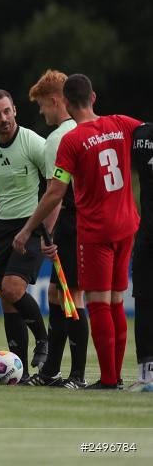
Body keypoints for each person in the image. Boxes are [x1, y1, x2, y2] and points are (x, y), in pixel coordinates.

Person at [14, 74, 143, 390]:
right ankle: (116, 376)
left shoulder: (71, 140)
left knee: (98, 303)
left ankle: (109, 379)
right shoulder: (122, 124)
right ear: (94, 97)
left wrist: (28, 229)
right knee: (115, 301)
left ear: (67, 104)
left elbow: (55, 192)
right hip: (128, 225)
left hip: (96, 231)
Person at [0, 88, 52, 382]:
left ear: (15, 111)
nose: (3, 118)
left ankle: (42, 339)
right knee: (5, 298)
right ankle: (17, 368)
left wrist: (42, 228)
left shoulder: (34, 142)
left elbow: (53, 185)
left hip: (31, 224)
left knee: (12, 289)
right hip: (5, 227)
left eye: (7, 111)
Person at [24, 70, 88, 388]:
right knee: (56, 292)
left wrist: (44, 237)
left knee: (71, 294)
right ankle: (51, 371)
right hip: (86, 220)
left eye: (42, 107)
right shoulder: (86, 128)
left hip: (73, 223)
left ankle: (77, 375)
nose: (41, 113)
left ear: (55, 101)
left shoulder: (57, 138)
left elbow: (55, 195)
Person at [130, 120, 153, 391]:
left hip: (146, 234)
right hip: (146, 234)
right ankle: (147, 374)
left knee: (145, 302)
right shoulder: (141, 135)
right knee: (144, 302)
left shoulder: (141, 134)